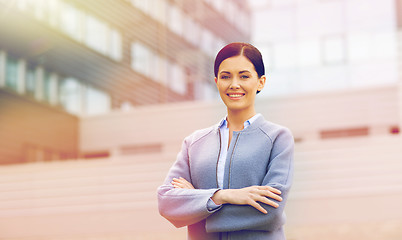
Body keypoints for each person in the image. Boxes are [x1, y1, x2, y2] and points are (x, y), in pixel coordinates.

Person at [157, 42, 294, 240]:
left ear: (261, 82)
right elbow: (166, 202)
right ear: (216, 82)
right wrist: (221, 196)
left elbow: (270, 212)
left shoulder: (277, 138)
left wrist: (197, 203)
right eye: (225, 76)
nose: (234, 84)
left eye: (244, 76)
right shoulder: (194, 142)